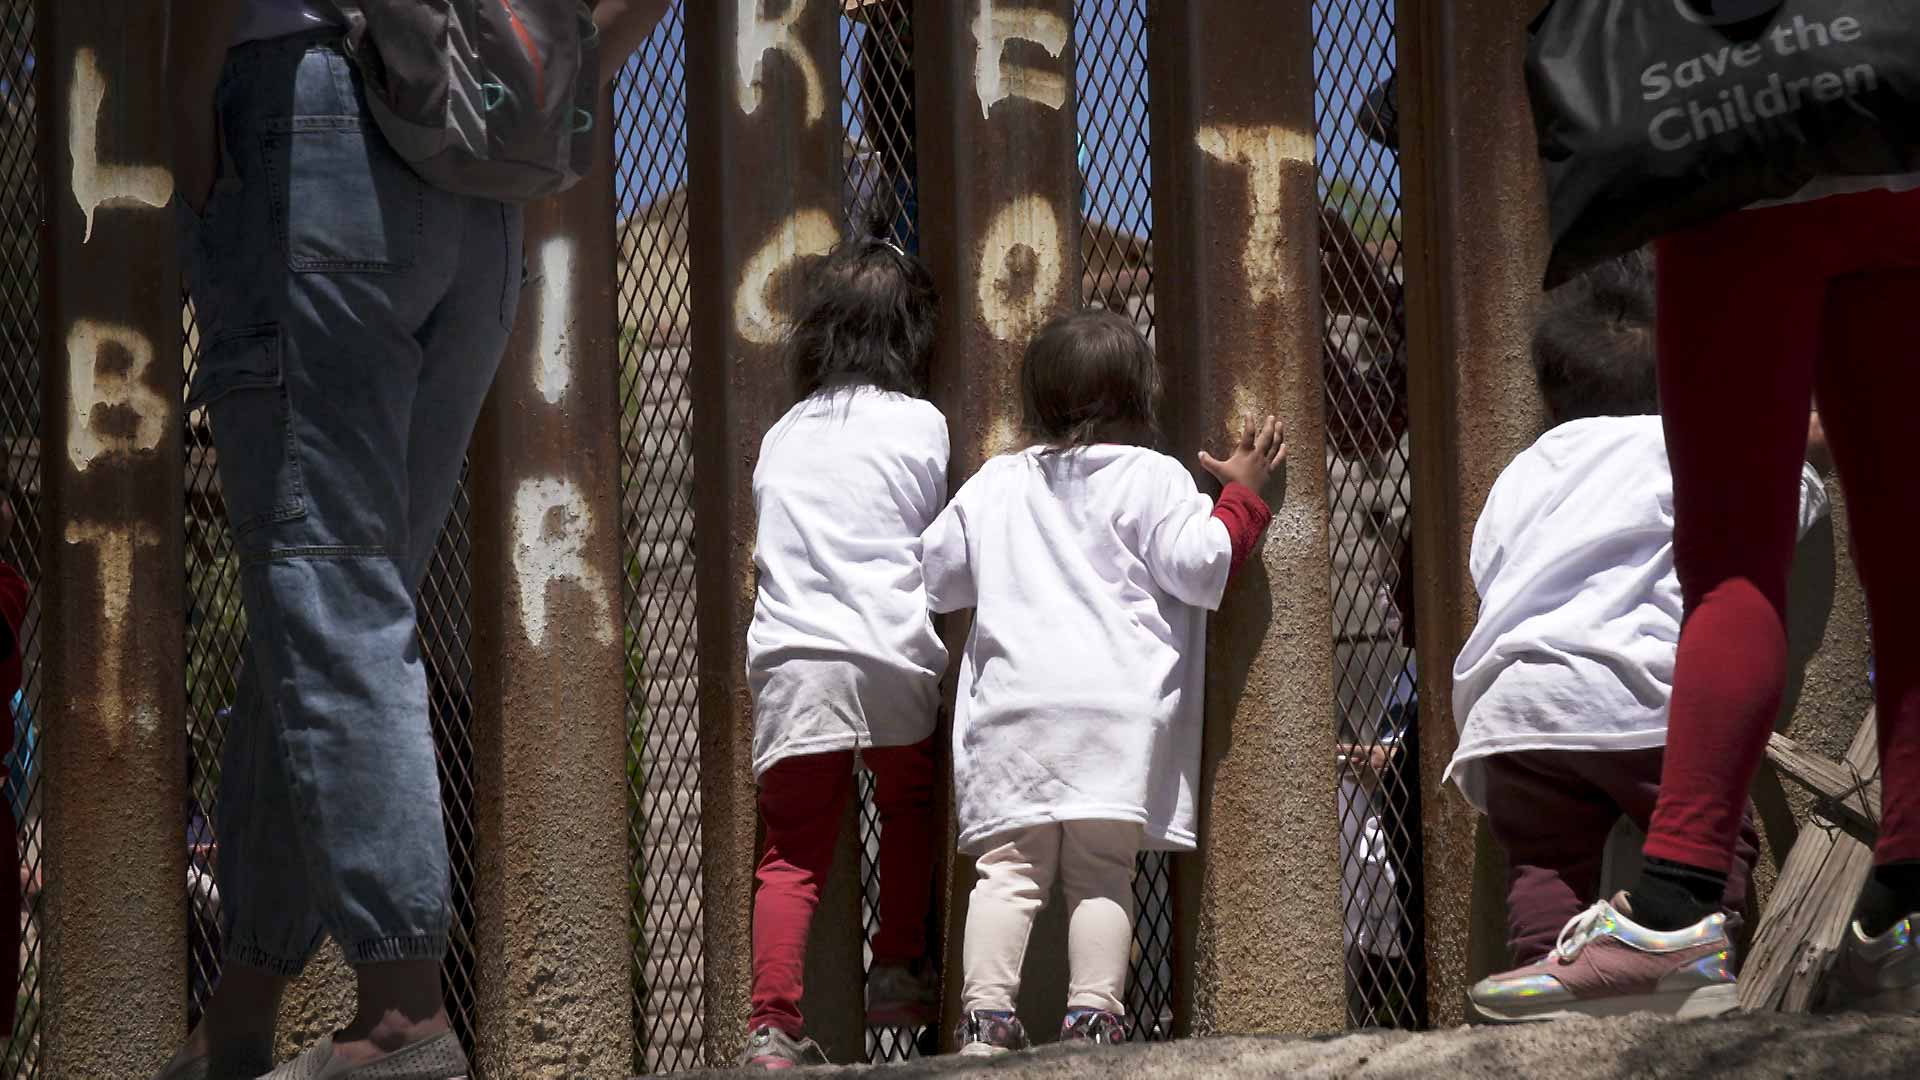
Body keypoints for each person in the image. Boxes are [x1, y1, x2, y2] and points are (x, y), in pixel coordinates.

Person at [159, 3, 667, 1079]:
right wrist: (560, 81)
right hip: (473, 164)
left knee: (328, 588)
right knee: (329, 602)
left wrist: (187, 119)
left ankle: (397, 1017)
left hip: (313, 115)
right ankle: (243, 1011)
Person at [1449, 254, 1832, 1022]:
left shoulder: (1523, 470)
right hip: (1639, 690)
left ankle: (1545, 972)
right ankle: (1696, 950)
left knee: (1545, 856)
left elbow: (1487, 561)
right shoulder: (1685, 446)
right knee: (1707, 821)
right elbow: (1770, 518)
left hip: (1515, 706)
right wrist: (1803, 450)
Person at [920, 309, 1284, 1055]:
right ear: (1140, 395)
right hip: (1115, 715)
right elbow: (1202, 564)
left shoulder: (997, 482)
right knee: (1101, 874)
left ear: (1037, 401)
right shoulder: (1153, 477)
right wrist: (1244, 495)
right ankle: (1093, 1018)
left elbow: (938, 575)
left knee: (1007, 873)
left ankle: (985, 1021)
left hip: (1013, 712)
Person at [737, 232, 948, 1070]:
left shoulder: (783, 434)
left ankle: (773, 1031)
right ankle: (897, 966)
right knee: (908, 801)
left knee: (790, 852)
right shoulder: (924, 425)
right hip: (892, 648)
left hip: (796, 660)